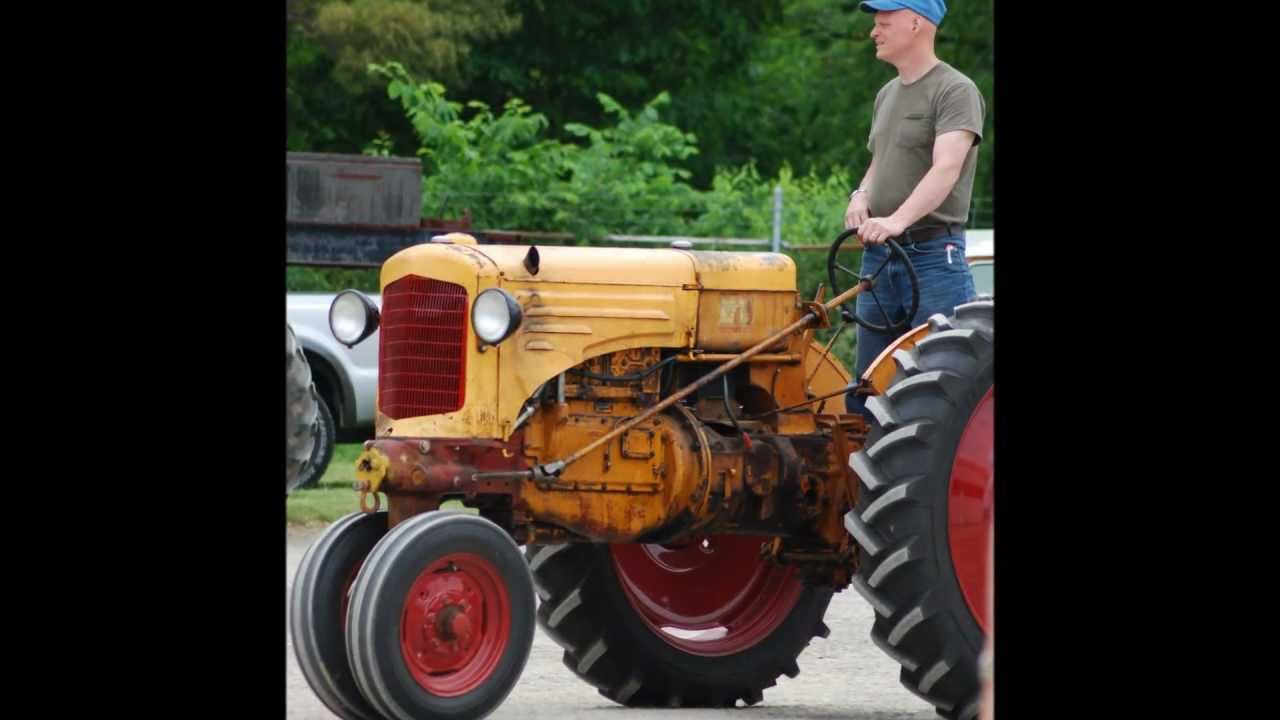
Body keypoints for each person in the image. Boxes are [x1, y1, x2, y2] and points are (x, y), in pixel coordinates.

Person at [844, 0, 986, 419]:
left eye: (883, 23)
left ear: (915, 23)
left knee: (940, 392)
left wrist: (896, 220)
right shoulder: (886, 94)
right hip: (880, 257)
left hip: (933, 260)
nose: (874, 32)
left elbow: (946, 168)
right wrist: (860, 195)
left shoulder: (956, 90)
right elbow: (880, 161)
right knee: (867, 392)